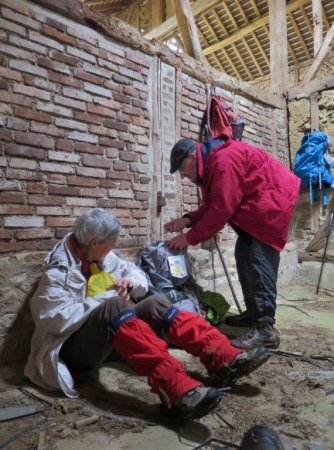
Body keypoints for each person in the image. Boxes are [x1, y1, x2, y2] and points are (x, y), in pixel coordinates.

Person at [25, 208, 271, 421]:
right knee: (114, 306)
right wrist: (104, 300)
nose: (116, 246)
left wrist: (129, 283)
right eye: (113, 241)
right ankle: (175, 389)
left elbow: (135, 273)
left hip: (111, 337)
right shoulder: (58, 272)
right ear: (95, 242)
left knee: (156, 302)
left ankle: (222, 357)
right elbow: (52, 319)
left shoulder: (101, 253)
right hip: (75, 351)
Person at [164, 136, 301, 350]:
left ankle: (265, 329)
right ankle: (254, 314)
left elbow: (222, 209)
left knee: (258, 258)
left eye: (181, 167)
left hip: (271, 203)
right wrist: (187, 219)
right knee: (243, 252)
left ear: (192, 156)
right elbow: (212, 203)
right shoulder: (211, 166)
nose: (182, 174)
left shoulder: (223, 160)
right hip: (260, 203)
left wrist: (189, 238)